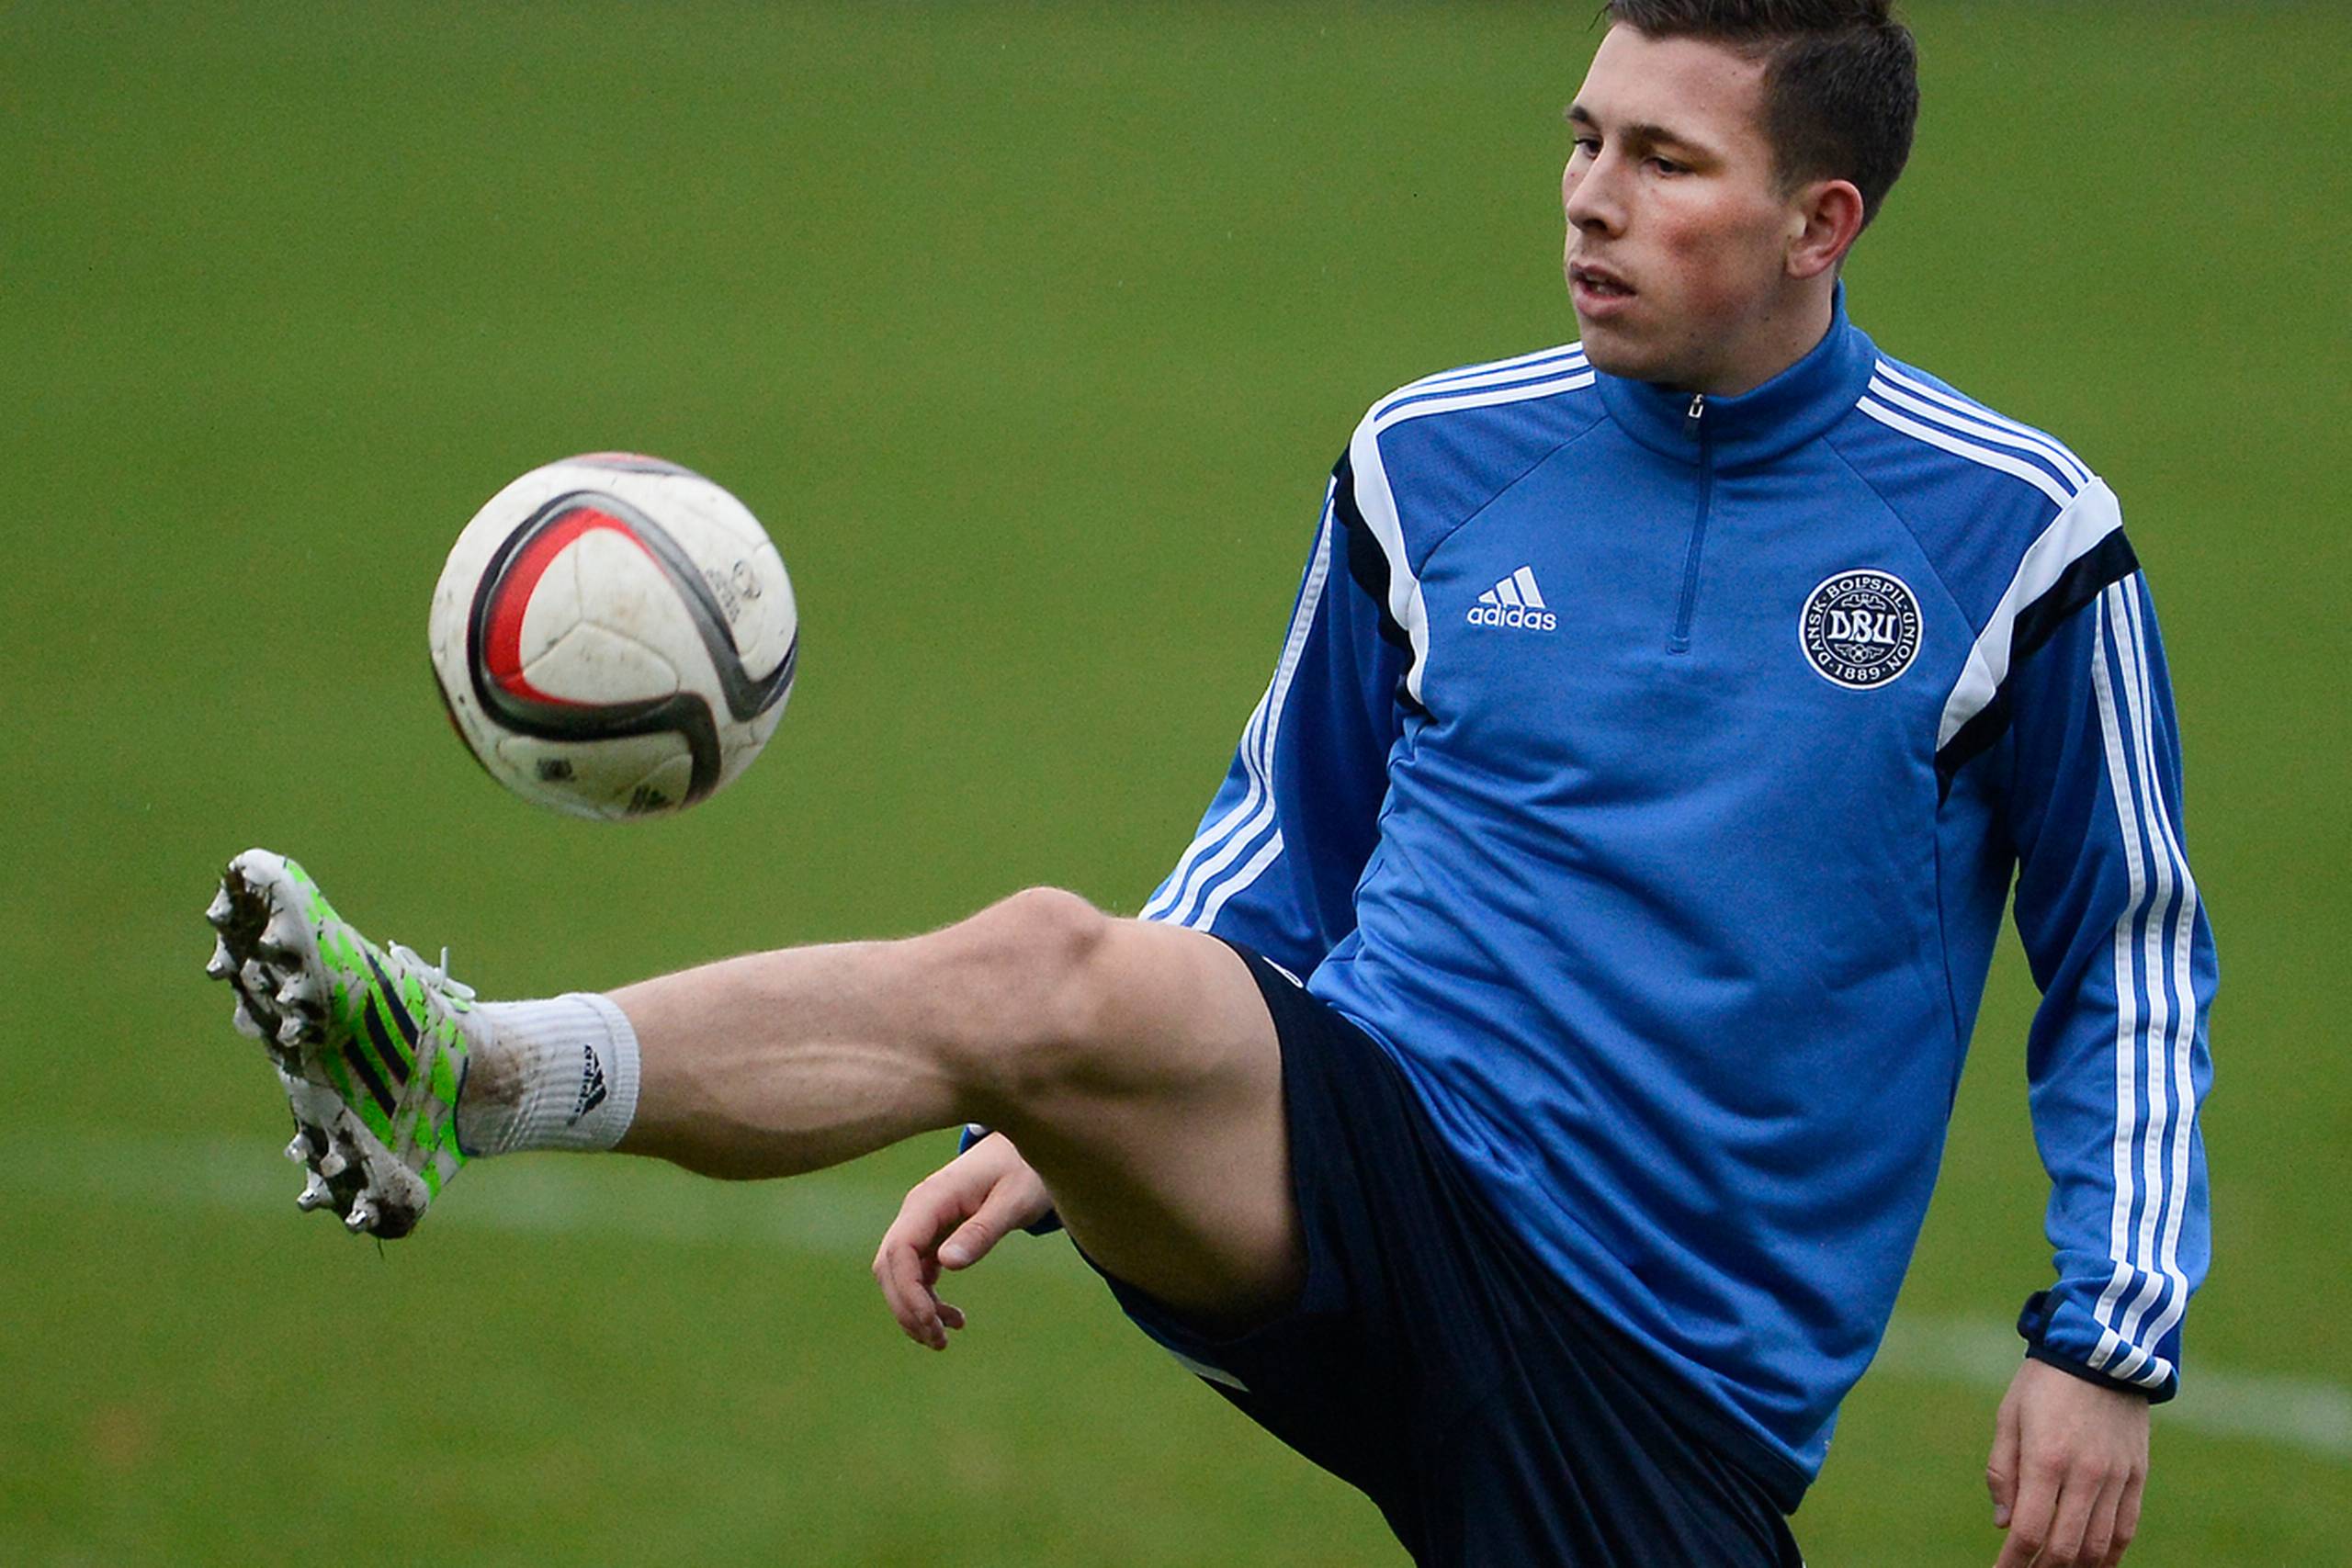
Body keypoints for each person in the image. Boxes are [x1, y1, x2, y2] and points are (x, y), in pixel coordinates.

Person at [203, 2, 2213, 1563]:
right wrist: (1080, 1097)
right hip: (1372, 1141)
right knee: (1044, 969)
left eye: (1662, 160)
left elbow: (2122, 943)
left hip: (1658, 1363)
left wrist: (2098, 1334)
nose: (1588, 195)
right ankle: (459, 1068)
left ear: (1816, 219)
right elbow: (1283, 831)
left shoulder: (2011, 538)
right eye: (1580, 138)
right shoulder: (1429, 460)